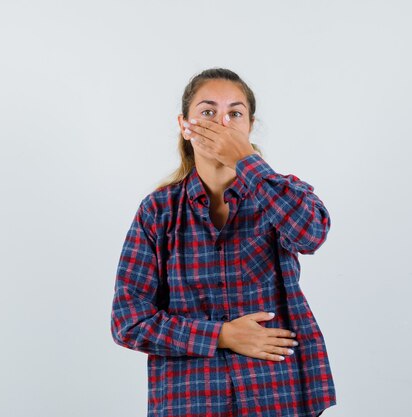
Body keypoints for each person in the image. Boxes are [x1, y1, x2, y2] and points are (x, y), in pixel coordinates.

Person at [110, 68, 336, 417]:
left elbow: (311, 235)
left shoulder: (280, 191)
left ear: (249, 125)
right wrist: (221, 335)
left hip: (277, 394)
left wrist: (246, 162)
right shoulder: (157, 211)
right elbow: (129, 321)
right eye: (208, 112)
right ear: (185, 125)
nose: (222, 124)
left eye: (235, 113)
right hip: (191, 398)